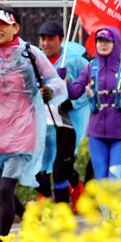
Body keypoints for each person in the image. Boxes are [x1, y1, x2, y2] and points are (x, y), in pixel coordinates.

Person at [0, 9, 62, 241]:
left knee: (6, 190)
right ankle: (28, 219)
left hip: (22, 128)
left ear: (15, 28)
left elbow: (54, 79)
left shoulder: (30, 53)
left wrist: (50, 90)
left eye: (3, 24)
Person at [65, 28, 121, 186]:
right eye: (99, 40)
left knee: (115, 176)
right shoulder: (91, 67)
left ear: (116, 43)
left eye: (107, 41)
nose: (102, 44)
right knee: (102, 180)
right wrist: (63, 80)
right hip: (97, 133)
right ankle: (108, 211)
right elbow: (74, 93)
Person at [34, 21, 86, 206]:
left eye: (51, 39)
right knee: (38, 169)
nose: (46, 43)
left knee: (62, 169)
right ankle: (47, 198)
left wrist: (71, 101)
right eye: (43, 39)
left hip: (67, 122)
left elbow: (89, 85)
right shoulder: (35, 60)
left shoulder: (74, 61)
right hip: (41, 124)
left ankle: (70, 198)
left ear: (61, 40)